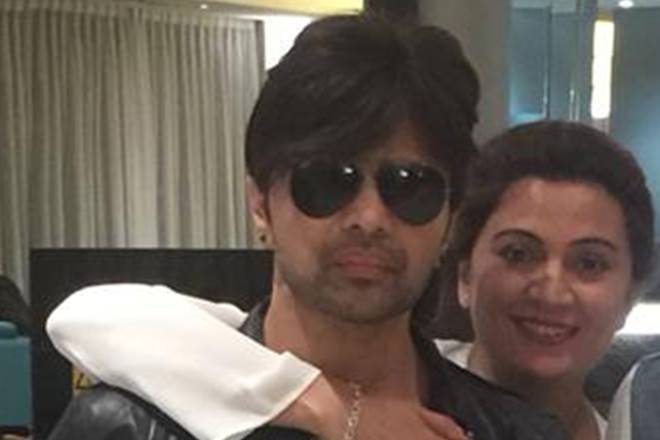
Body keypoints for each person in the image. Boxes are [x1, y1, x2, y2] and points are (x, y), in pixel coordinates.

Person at [46, 13, 568, 440]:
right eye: (327, 181)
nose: (369, 217)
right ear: (260, 204)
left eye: (409, 186)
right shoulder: (129, 428)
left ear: (450, 219)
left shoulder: (517, 433)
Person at [49, 119, 655, 440]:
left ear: (632, 290)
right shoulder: (374, 371)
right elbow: (91, 317)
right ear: (463, 269)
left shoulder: (639, 414)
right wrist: (333, 407)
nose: (551, 289)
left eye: (591, 263)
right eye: (518, 253)